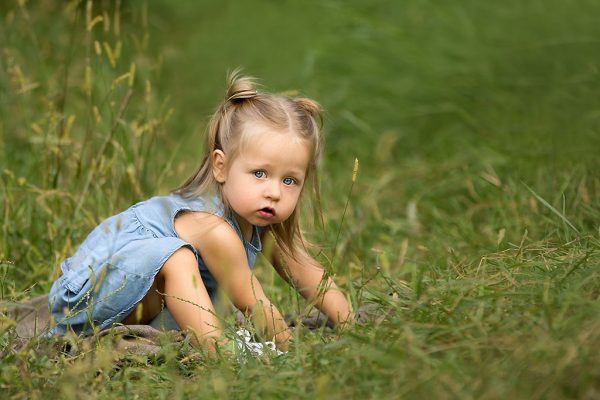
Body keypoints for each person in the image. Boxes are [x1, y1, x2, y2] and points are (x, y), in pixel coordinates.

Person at [48, 72, 352, 352]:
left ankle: (205, 342)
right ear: (221, 166)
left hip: (140, 302)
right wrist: (291, 354)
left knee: (203, 300)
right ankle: (225, 360)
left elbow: (309, 273)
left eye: (289, 180)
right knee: (178, 257)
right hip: (87, 298)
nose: (274, 191)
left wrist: (352, 328)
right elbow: (255, 304)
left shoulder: (259, 216)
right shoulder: (213, 228)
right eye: (260, 173)